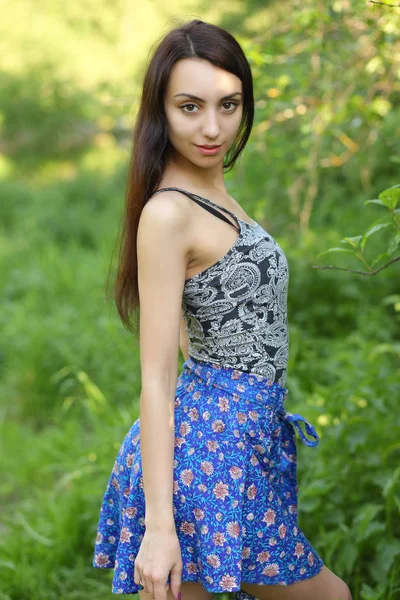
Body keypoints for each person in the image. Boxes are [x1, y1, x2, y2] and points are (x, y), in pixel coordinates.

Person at [92, 18, 352, 600]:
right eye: (190, 107)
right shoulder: (168, 213)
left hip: (240, 443)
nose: (213, 128)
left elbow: (197, 320)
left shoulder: (211, 190)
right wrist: (160, 526)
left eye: (228, 105)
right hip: (207, 454)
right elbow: (156, 379)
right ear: (160, 111)